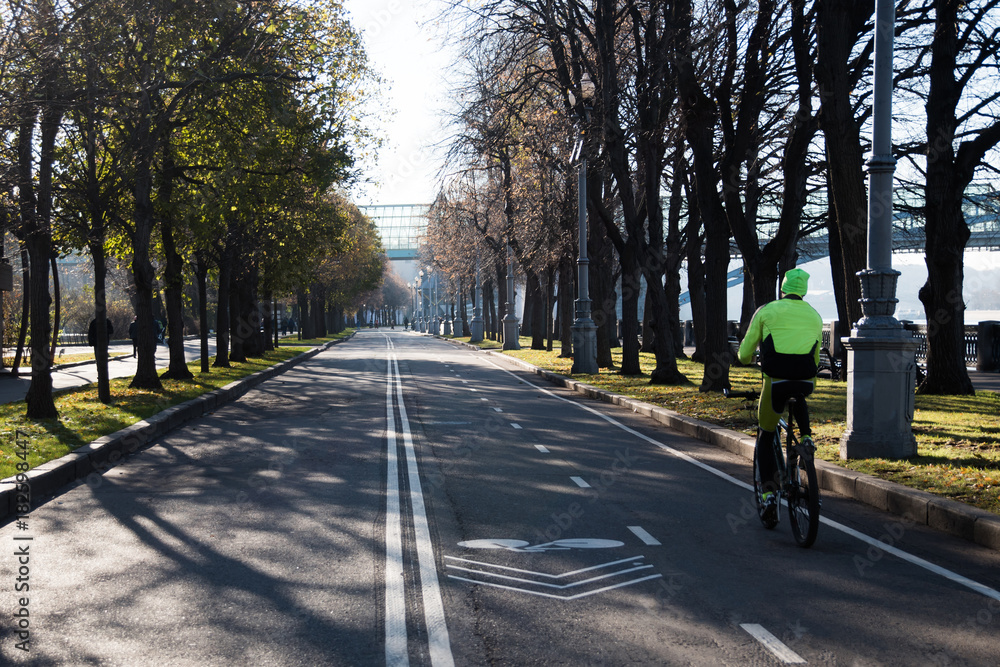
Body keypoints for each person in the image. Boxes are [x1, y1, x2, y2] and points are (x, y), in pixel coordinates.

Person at [737, 268, 823, 521]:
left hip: (775, 382)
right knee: (799, 395)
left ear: (783, 288)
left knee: (765, 436)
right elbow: (816, 355)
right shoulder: (815, 316)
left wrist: (747, 358)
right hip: (805, 381)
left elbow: (744, 353)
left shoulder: (766, 310)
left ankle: (768, 495)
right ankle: (806, 437)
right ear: (804, 291)